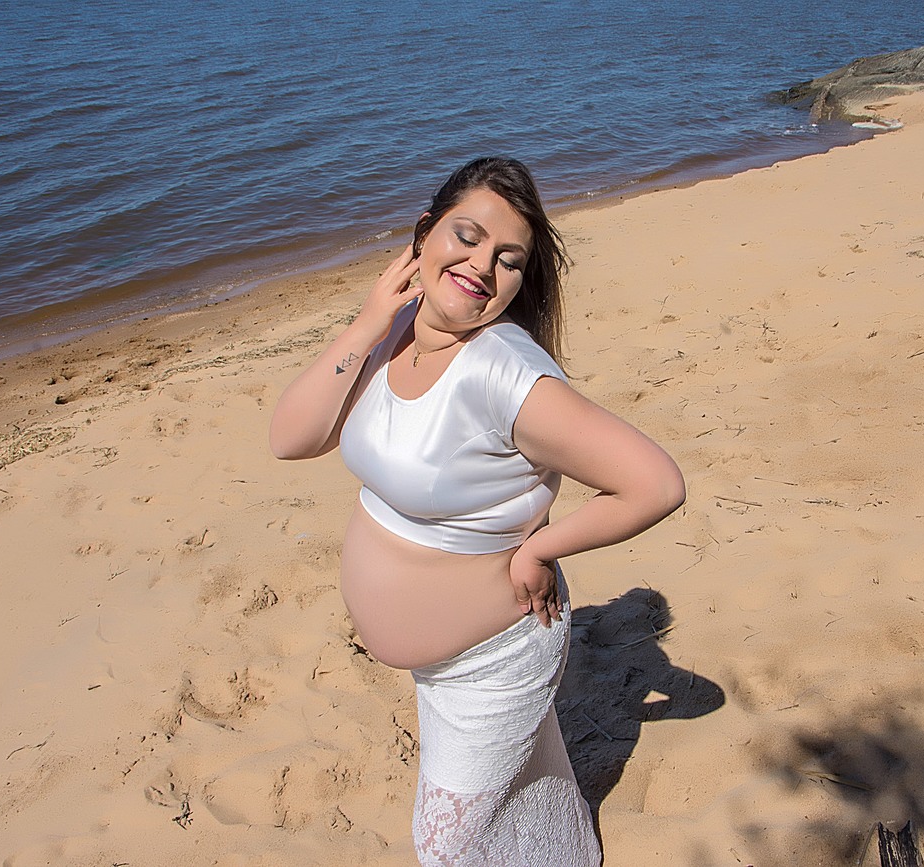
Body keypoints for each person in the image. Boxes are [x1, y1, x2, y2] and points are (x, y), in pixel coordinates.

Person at [269, 157, 685, 865]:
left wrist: (541, 549)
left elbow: (655, 484)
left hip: (495, 660)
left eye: (509, 260)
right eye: (466, 237)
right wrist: (367, 323)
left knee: (447, 843)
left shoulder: (505, 374)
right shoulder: (396, 328)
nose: (482, 267)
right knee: (520, 785)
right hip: (436, 662)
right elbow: (291, 439)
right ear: (423, 234)